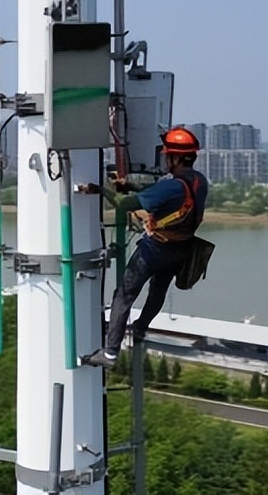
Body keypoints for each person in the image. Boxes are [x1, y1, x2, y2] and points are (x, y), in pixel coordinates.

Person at [83, 126, 209, 369]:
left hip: (155, 250)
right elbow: (159, 194)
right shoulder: (198, 181)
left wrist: (100, 189)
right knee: (157, 291)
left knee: (124, 296)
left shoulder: (171, 186)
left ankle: (110, 353)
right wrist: (130, 185)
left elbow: (122, 204)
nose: (165, 159)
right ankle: (140, 328)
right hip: (181, 250)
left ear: (176, 157)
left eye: (167, 156)